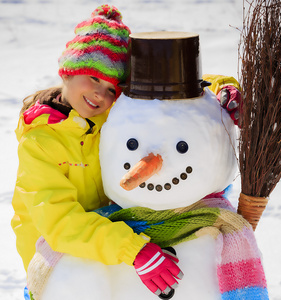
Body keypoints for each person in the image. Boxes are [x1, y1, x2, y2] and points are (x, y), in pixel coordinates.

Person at [11, 5, 183, 300]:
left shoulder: (110, 118)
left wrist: (222, 89)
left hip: (109, 247)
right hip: (58, 265)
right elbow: (60, 223)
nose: (101, 94)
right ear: (69, 71)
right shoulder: (39, 143)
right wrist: (133, 250)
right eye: (94, 78)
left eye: (112, 89)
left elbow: (170, 84)